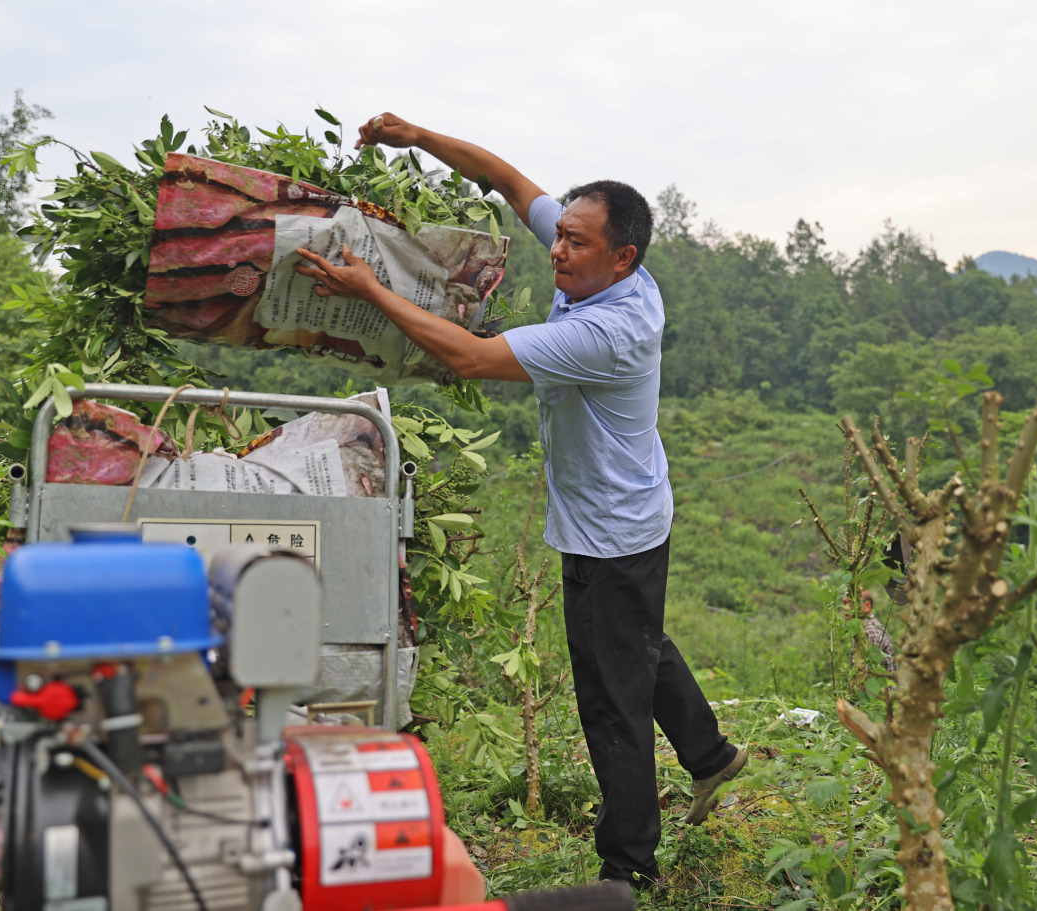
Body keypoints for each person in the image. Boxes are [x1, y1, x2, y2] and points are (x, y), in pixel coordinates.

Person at [294, 113, 748, 887]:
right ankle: (710, 755)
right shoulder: (607, 267)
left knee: (611, 700)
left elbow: (469, 357)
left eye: (576, 243)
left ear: (623, 257)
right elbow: (504, 178)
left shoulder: (608, 330)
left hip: (611, 531)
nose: (559, 250)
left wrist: (368, 290)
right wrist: (418, 136)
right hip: (629, 510)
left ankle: (628, 870)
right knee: (635, 641)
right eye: (560, 233)